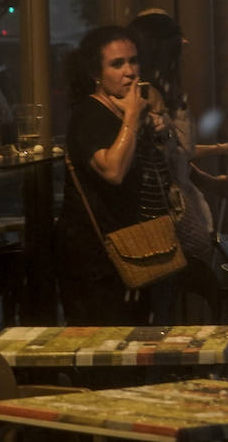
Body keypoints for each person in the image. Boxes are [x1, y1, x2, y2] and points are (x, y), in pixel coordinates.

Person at [130, 9, 228, 320]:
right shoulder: (146, 97)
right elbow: (175, 153)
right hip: (163, 215)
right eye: (176, 40)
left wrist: (208, 176)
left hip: (169, 211)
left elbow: (176, 156)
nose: (184, 45)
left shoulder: (162, 94)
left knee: (170, 294)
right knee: (179, 289)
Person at [56, 24, 155, 325]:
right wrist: (133, 118)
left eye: (133, 61)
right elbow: (112, 170)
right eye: (117, 64)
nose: (129, 71)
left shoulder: (121, 111)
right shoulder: (89, 114)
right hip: (92, 254)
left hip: (125, 248)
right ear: (96, 74)